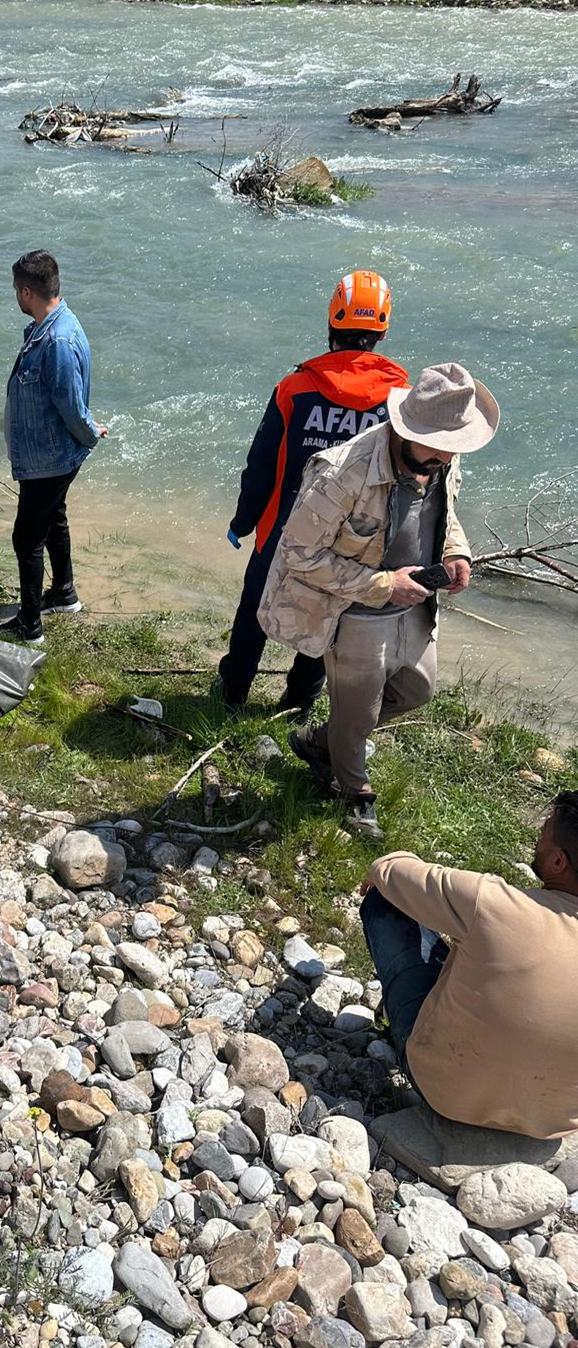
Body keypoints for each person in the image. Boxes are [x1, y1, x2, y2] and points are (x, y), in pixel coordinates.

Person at [258, 362, 498, 839]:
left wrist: (455, 553)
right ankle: (355, 792)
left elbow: (447, 515)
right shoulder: (343, 472)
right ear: (409, 431)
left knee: (417, 691)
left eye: (455, 447)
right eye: (441, 447)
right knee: (360, 711)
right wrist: (385, 585)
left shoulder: (442, 453)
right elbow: (298, 554)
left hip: (416, 605)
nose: (449, 456)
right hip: (357, 611)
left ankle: (322, 741)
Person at [217, 271, 408, 716]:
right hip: (353, 541)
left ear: (331, 324)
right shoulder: (400, 401)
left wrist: (243, 522)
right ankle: (301, 698)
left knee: (255, 609)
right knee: (330, 613)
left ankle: (232, 693)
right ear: (381, 331)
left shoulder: (296, 388)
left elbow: (261, 465)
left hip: (282, 529)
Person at [361, 791, 578, 1139]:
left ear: (558, 862)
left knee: (383, 901)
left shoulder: (493, 902)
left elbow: (392, 871)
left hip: (445, 1094)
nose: (539, 831)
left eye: (546, 829)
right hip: (551, 1125)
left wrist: (387, 871)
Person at [0, 250, 106, 648]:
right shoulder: (50, 326)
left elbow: (71, 405)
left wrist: (89, 432)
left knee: (26, 537)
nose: (14, 298)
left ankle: (30, 625)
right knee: (54, 518)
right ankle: (65, 594)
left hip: (49, 459)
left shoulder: (56, 339)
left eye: (15, 291)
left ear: (26, 291)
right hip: (47, 454)